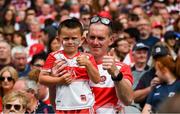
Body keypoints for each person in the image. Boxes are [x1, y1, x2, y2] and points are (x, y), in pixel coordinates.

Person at [39, 18, 100, 113]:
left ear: (82, 39)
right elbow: (42, 79)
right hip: (62, 107)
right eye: (66, 38)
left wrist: (88, 64)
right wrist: (59, 80)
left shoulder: (88, 58)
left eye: (74, 38)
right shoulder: (54, 56)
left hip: (85, 106)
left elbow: (96, 80)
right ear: (59, 39)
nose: (70, 42)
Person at [87, 16, 133, 114]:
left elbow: (128, 100)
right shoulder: (75, 65)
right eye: (92, 37)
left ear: (111, 40)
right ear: (86, 38)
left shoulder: (121, 68)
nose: (95, 42)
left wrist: (116, 74)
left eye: (100, 38)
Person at [142, 46, 180, 114]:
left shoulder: (178, 85)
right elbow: (146, 109)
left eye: (157, 70)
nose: (156, 73)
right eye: (155, 59)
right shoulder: (156, 86)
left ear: (164, 70)